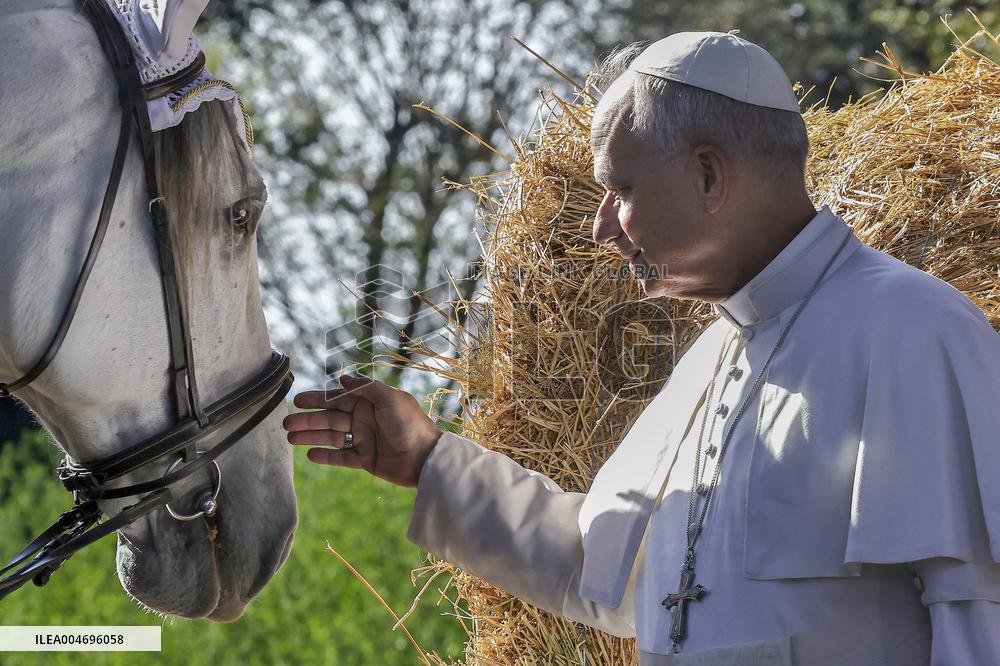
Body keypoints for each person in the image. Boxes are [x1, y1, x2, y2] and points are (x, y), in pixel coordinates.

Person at [283, 32, 1000, 665]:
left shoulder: (915, 331)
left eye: (619, 189)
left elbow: (980, 619)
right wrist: (428, 460)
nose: (602, 227)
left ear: (710, 176)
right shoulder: (708, 363)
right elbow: (601, 570)